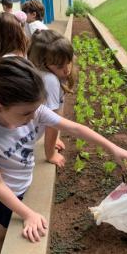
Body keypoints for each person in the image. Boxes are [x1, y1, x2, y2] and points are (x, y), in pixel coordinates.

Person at [0, 56, 127, 254]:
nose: (35, 117)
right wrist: (28, 214)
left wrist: (113, 148)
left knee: (1, 234)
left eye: (36, 110)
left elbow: (75, 128)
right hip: (4, 196)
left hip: (21, 183)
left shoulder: (31, 110)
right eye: (27, 114)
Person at [28, 29, 76, 167]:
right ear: (42, 63)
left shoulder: (47, 73)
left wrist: (54, 141)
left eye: (69, 62)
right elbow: (52, 122)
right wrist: (51, 154)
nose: (67, 69)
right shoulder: (50, 80)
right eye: (60, 66)